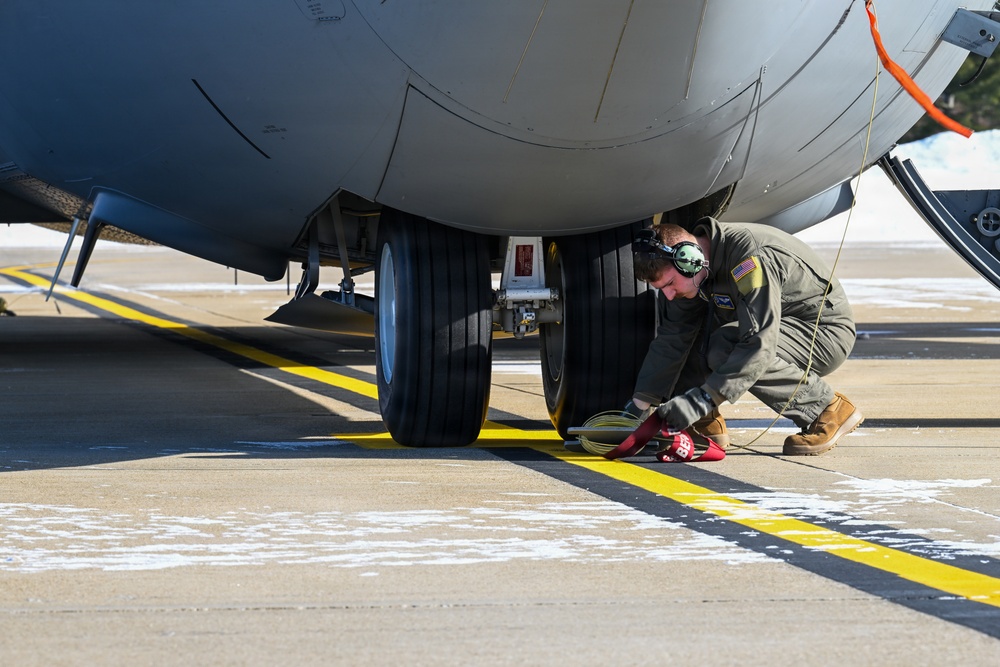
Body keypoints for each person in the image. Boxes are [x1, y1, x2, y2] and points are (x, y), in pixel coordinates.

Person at [625, 218, 862, 456]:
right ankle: (705, 423)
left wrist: (701, 399)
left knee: (726, 346)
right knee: (696, 330)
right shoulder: (696, 271)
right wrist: (639, 406)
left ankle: (826, 408)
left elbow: (760, 342)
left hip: (822, 332)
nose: (668, 294)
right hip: (776, 329)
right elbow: (673, 337)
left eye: (670, 283)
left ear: (691, 260)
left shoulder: (749, 259)